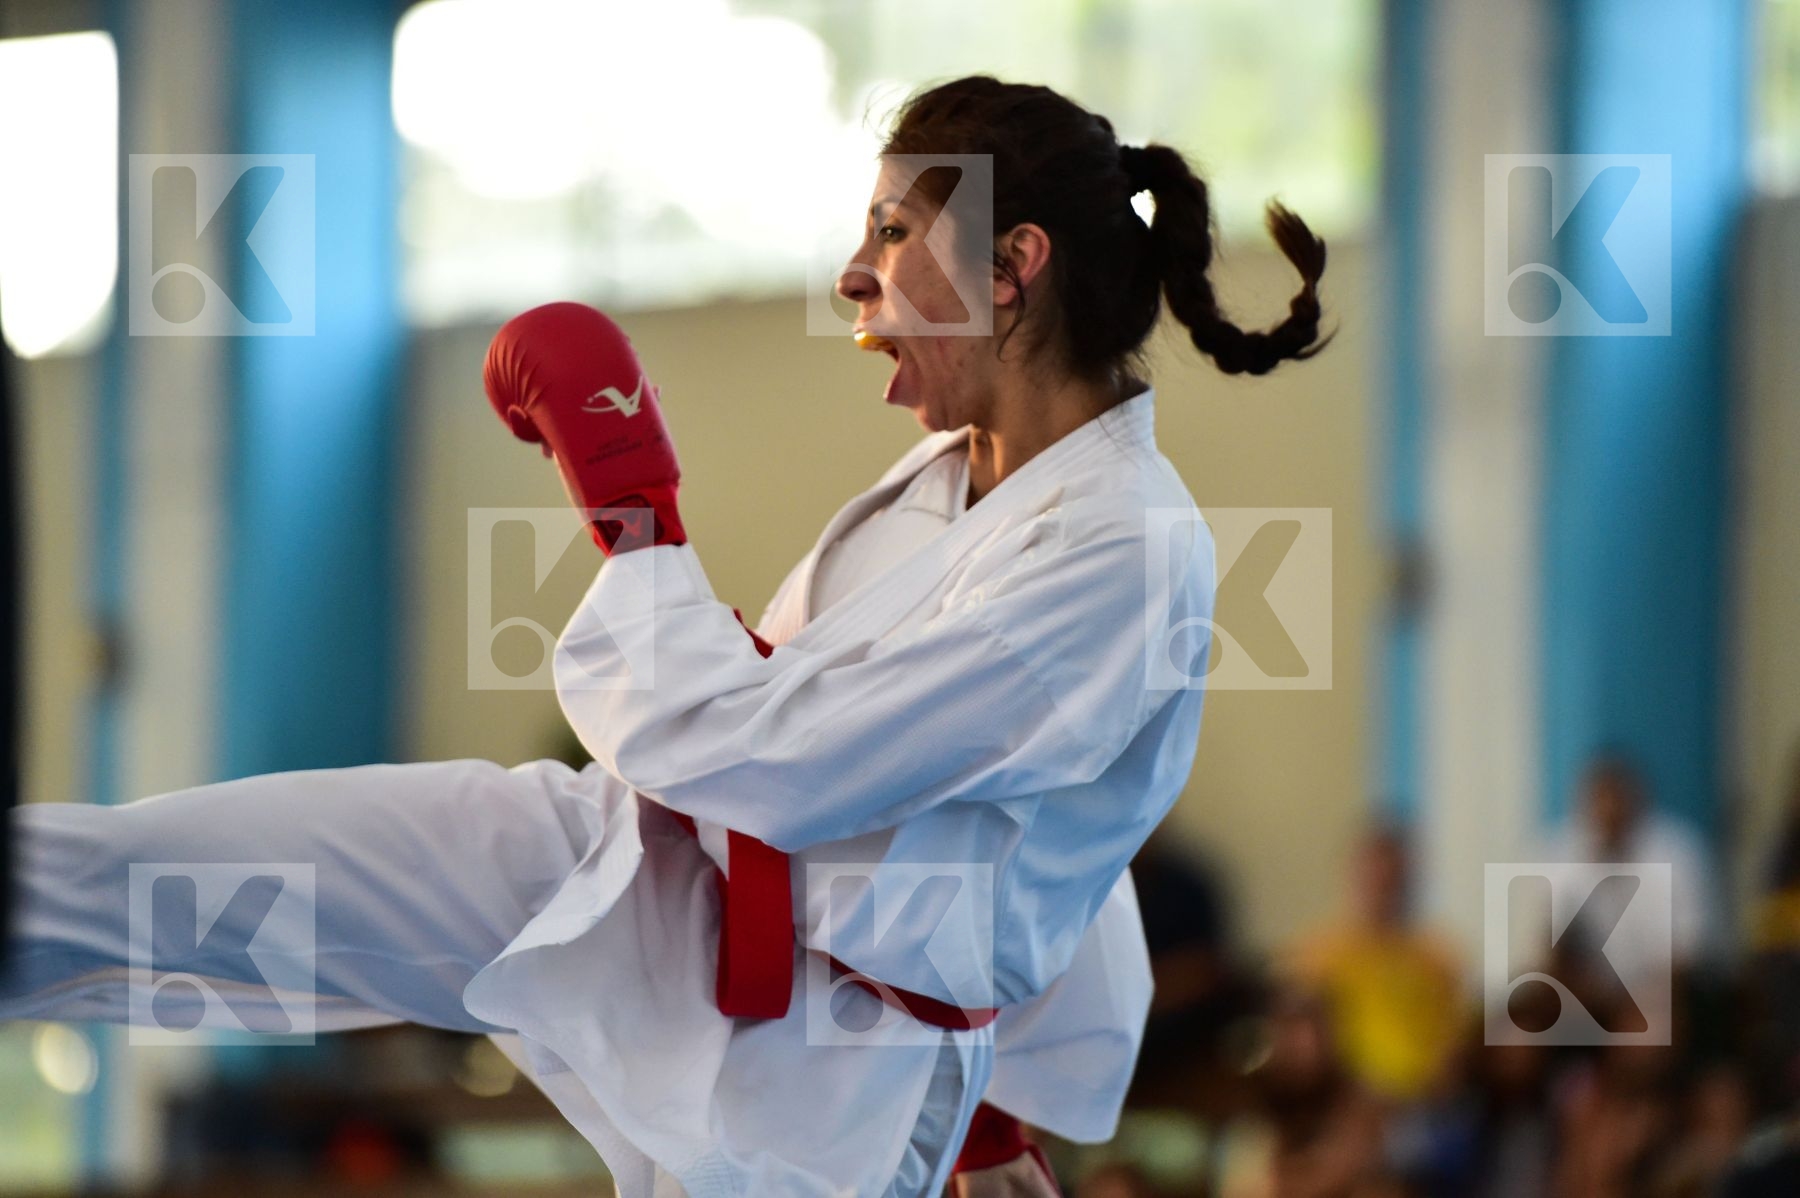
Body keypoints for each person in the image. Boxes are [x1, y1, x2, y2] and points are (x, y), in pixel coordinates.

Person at [0, 75, 1329, 1197]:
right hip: (656, 872)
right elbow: (1008, 819)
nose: (852, 275)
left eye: (891, 230)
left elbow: (798, 766)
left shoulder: (1123, 547)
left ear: (1011, 264)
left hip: (830, 1080)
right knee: (208, 871)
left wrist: (637, 519)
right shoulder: (947, 479)